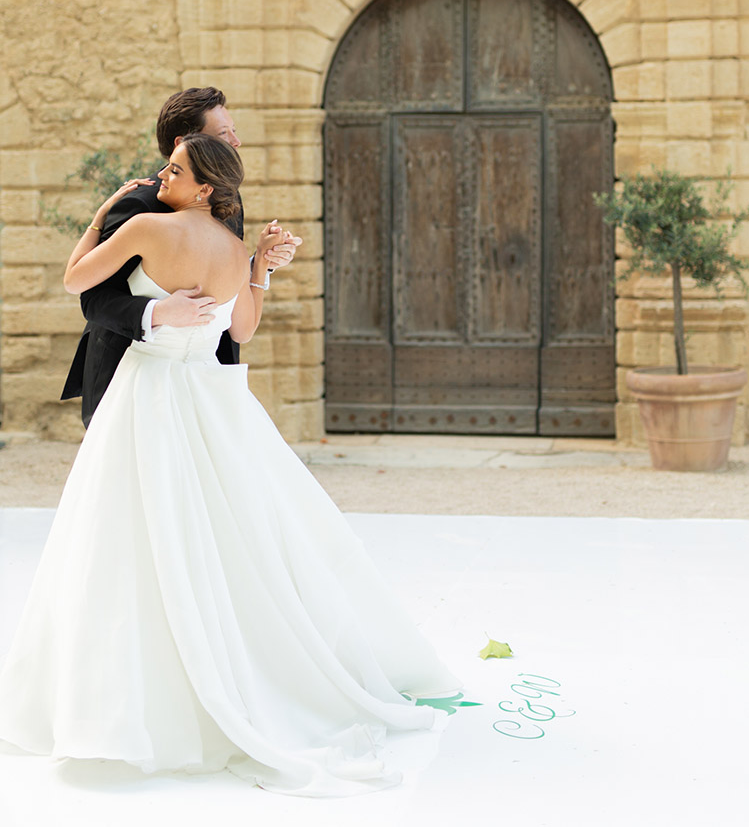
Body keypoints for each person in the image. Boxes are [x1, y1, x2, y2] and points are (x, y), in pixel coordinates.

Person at [0, 135, 458, 797]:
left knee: (122, 538)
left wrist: (103, 211)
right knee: (217, 540)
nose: (165, 173)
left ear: (206, 186)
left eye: (177, 169)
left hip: (147, 392)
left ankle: (125, 704)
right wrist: (259, 269)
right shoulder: (231, 248)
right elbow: (239, 330)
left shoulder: (148, 227)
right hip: (206, 403)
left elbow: (77, 279)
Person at [61, 85, 300, 428]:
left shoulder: (228, 208)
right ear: (185, 144)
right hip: (127, 377)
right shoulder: (139, 206)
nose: (235, 142)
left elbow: (224, 295)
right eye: (223, 133)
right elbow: (94, 297)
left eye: (234, 131)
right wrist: (158, 312)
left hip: (204, 377)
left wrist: (261, 264)